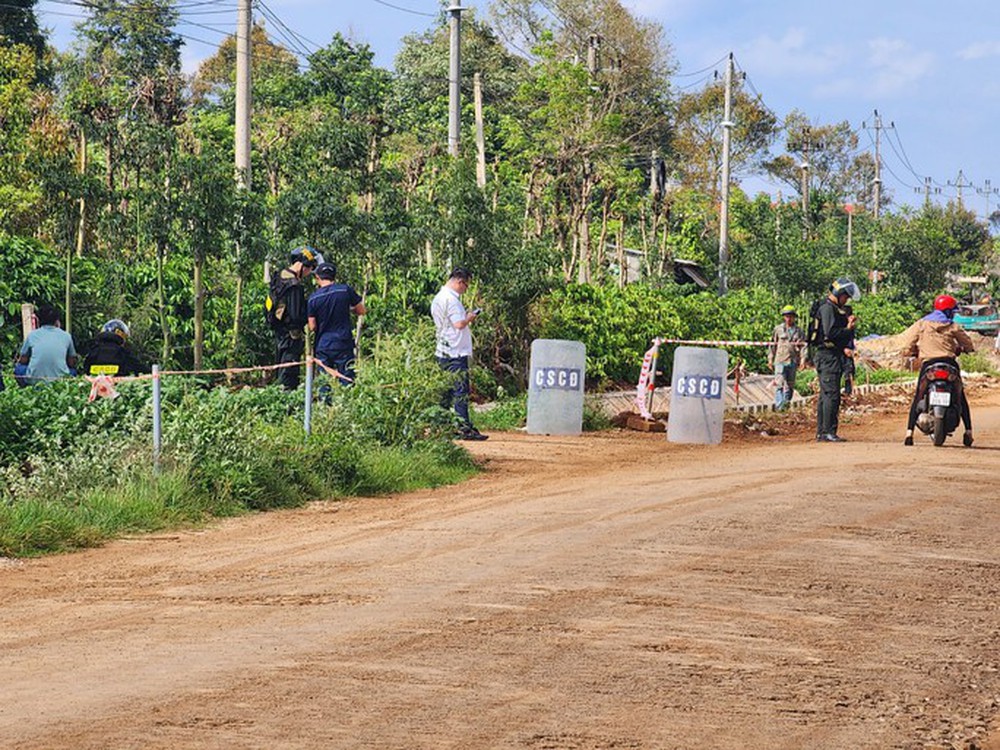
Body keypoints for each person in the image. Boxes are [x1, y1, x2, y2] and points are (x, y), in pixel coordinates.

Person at [900, 294, 975, 447]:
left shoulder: (922, 324)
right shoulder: (952, 325)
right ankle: (968, 432)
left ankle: (909, 433)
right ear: (948, 311)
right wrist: (966, 349)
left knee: (918, 396)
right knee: (961, 397)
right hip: (949, 365)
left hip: (929, 366)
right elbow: (967, 342)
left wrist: (911, 351)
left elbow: (908, 343)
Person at [431, 267, 488, 441]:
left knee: (446, 392)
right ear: (459, 282)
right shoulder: (452, 300)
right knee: (460, 391)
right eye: (466, 286)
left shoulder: (438, 298)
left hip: (443, 350)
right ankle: (464, 428)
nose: (465, 289)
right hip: (455, 352)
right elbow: (459, 324)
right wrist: (470, 316)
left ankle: (441, 427)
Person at [810, 278, 859, 442]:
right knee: (831, 395)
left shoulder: (832, 308)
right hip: (827, 356)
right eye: (845, 297)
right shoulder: (827, 308)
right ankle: (827, 431)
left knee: (827, 395)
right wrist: (848, 329)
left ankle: (823, 431)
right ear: (839, 294)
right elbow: (830, 333)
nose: (846, 301)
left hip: (832, 356)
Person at [268, 246, 319, 390]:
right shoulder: (294, 285)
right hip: (290, 336)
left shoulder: (279, 276)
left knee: (281, 368)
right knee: (289, 375)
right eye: (309, 268)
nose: (309, 272)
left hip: (279, 332)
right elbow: (296, 315)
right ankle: (286, 405)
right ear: (302, 265)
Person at [307, 262, 366, 386]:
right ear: (334, 276)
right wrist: (348, 309)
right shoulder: (344, 290)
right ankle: (348, 402)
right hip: (343, 342)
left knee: (325, 380)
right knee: (347, 378)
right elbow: (361, 310)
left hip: (323, 344)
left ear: (317, 277)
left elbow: (312, 326)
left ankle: (325, 404)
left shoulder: (313, 298)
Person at [17, 304, 77, 386]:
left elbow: (23, 360)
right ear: (56, 321)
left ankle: (27, 386)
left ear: (39, 320)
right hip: (61, 381)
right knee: (72, 371)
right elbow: (72, 363)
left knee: (19, 368)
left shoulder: (32, 335)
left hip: (35, 380)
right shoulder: (66, 336)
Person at [768, 304, 804, 410]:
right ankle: (779, 406)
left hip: (792, 361)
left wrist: (803, 360)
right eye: (787, 316)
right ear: (784, 317)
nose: (789, 318)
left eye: (791, 316)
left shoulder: (799, 331)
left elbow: (803, 347)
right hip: (780, 360)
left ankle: (786, 405)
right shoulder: (778, 329)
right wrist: (770, 359)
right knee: (779, 383)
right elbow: (772, 345)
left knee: (790, 385)